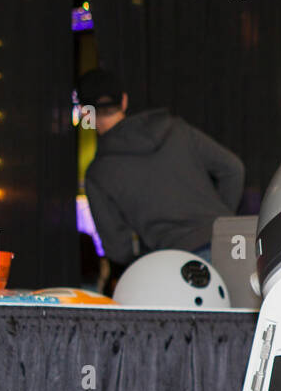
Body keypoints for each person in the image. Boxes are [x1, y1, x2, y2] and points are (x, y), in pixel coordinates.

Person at [78, 68, 244, 281]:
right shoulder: (176, 129)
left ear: (86, 114)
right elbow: (233, 169)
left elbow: (119, 250)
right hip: (232, 248)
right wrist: (221, 223)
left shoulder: (98, 174)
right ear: (125, 101)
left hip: (177, 267)